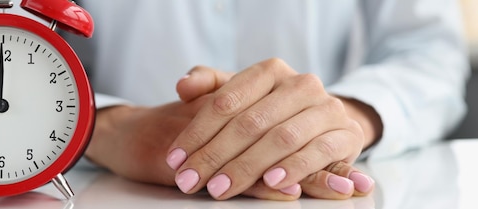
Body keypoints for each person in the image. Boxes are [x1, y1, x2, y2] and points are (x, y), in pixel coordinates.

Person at [61, 0, 469, 200]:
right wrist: (103, 125)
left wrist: (336, 121)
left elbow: (428, 50)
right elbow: (4, 43)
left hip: (312, 181)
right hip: (104, 184)